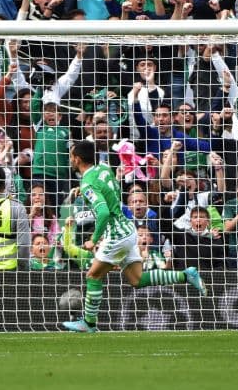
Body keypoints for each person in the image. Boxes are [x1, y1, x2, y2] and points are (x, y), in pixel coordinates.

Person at [62, 140, 207, 333]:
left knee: (93, 275)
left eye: (72, 156)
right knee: (136, 280)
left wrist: (93, 239)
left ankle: (89, 323)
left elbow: (104, 212)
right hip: (128, 229)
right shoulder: (103, 169)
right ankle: (185, 275)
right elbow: (109, 189)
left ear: (77, 159)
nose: (70, 159)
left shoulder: (88, 182)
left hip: (116, 234)